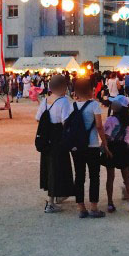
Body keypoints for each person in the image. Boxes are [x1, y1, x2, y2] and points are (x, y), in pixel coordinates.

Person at [71, 78, 110, 219]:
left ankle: (81, 207)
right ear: (91, 90)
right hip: (92, 145)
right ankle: (94, 207)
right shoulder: (94, 105)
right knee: (94, 176)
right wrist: (104, 143)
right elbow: (99, 126)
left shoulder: (72, 106)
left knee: (79, 176)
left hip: (76, 146)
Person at [35, 74, 74, 213]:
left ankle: (56, 196)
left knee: (49, 167)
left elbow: (38, 118)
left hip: (47, 138)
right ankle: (52, 201)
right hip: (58, 138)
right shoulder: (63, 101)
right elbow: (65, 122)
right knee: (58, 168)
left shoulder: (45, 100)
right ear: (63, 87)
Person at [103, 96, 129, 213]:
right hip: (123, 148)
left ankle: (110, 203)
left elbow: (105, 134)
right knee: (126, 177)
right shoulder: (128, 121)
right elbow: (128, 139)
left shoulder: (110, 120)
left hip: (111, 148)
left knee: (110, 177)